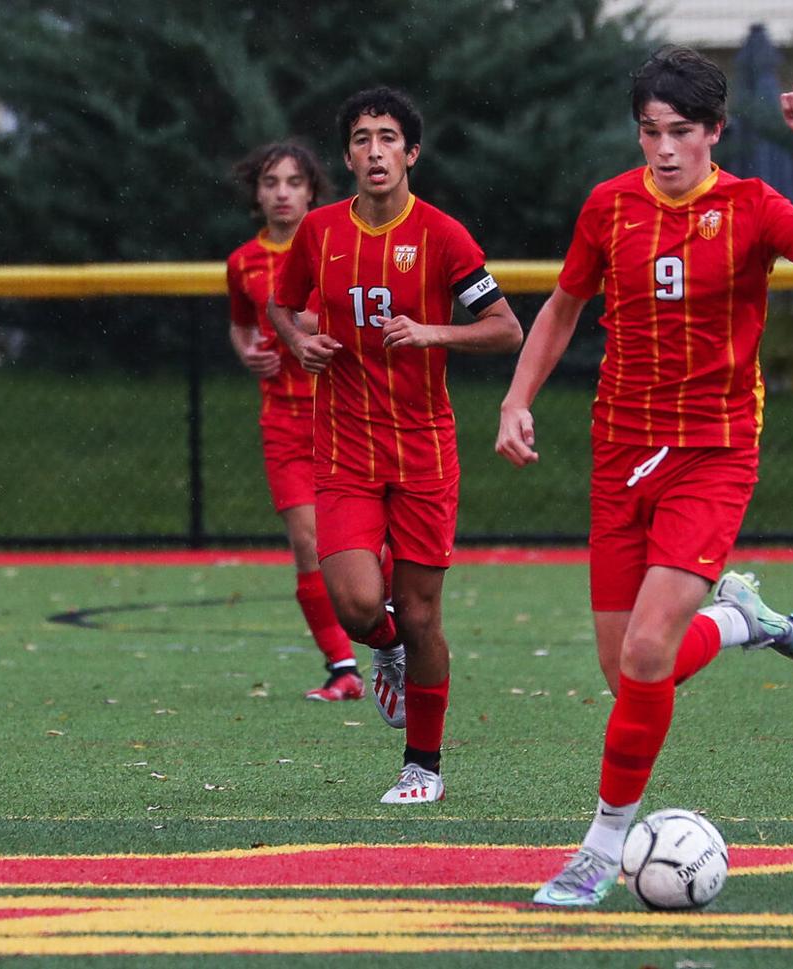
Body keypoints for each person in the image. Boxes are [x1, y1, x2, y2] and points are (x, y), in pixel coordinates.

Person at [495, 46, 793, 906]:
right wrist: (518, 398)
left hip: (711, 452)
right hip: (618, 453)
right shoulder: (609, 206)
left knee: (643, 650)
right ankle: (739, 621)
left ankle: (598, 848)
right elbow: (562, 306)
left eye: (681, 133)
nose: (663, 150)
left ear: (714, 132)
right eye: (649, 133)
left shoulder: (748, 207)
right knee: (628, 670)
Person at [270, 86, 523, 803]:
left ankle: (424, 767)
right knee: (357, 605)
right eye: (360, 138)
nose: (374, 151)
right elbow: (280, 304)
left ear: (411, 153)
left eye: (387, 138)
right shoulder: (318, 232)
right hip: (346, 446)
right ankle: (381, 651)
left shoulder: (443, 235)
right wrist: (299, 340)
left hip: (423, 452)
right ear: (346, 156)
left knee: (420, 614)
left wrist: (433, 331)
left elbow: (507, 328)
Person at [227, 141, 380, 704]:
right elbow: (242, 325)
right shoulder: (243, 262)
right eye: (271, 183)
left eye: (293, 182)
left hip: (346, 413)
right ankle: (343, 666)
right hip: (286, 422)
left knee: (368, 546)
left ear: (313, 189)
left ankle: (390, 638)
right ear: (258, 193)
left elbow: (352, 314)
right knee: (307, 542)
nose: (282, 192)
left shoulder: (335, 243)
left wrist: (300, 322)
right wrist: (249, 352)